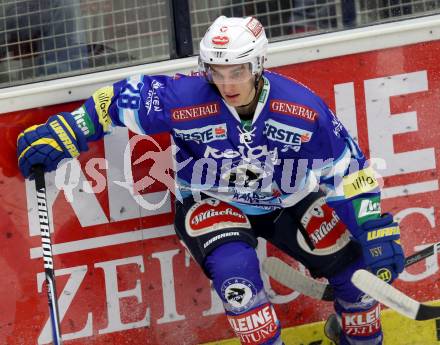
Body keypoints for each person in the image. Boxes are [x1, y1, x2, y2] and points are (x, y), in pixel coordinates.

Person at [16, 16, 404, 345]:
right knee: (240, 286)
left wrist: (372, 227)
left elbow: (350, 172)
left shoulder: (302, 109)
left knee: (357, 281)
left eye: (236, 71)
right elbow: (118, 100)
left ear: (258, 65)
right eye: (216, 71)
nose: (227, 83)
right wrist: (68, 129)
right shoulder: (186, 97)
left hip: (289, 200)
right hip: (211, 201)